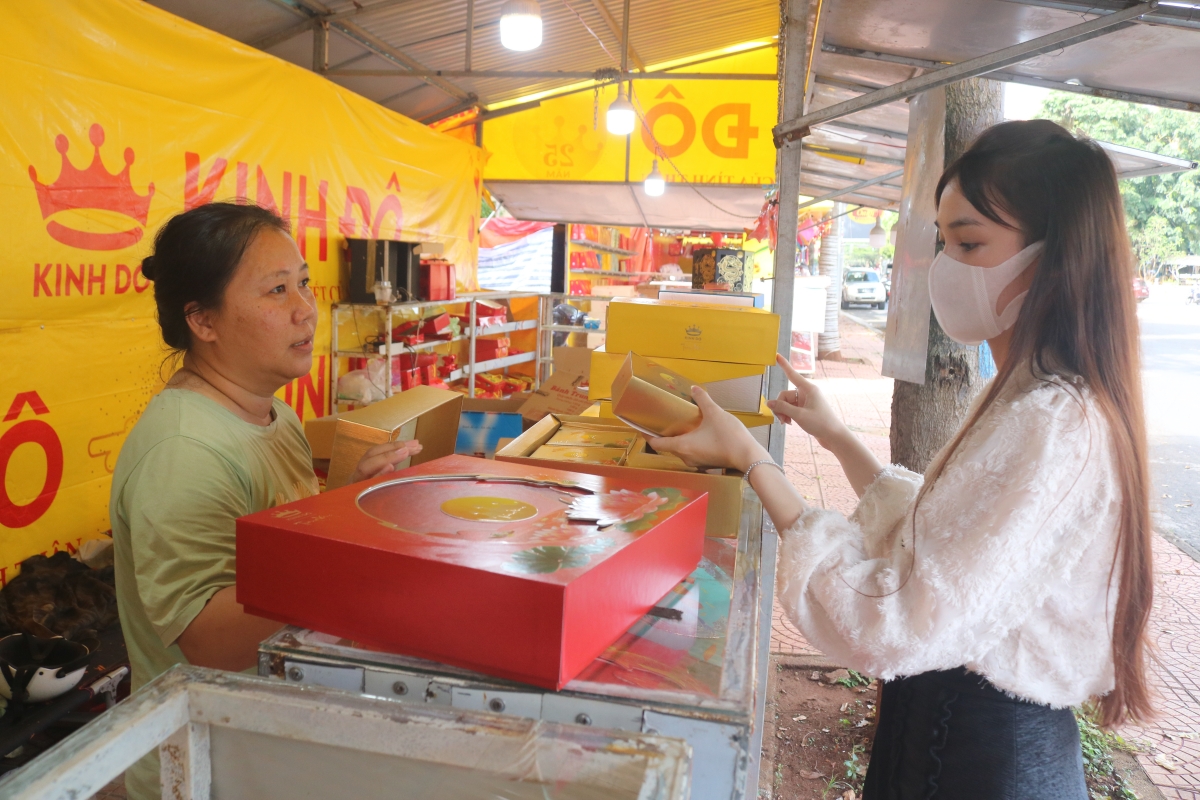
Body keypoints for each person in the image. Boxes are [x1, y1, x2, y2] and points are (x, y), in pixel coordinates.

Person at [651, 120, 1152, 799]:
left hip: (983, 761)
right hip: (956, 741)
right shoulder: (1036, 395)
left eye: (969, 242)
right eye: (942, 242)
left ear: (1056, 256)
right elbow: (946, 536)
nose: (943, 266)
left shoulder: (1053, 420)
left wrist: (751, 459)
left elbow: (890, 621)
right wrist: (837, 436)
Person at [111, 203, 421, 800]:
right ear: (203, 321)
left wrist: (344, 499)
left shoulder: (271, 412)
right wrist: (350, 533)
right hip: (208, 768)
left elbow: (278, 546)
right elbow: (211, 640)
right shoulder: (185, 451)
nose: (305, 309)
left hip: (269, 744)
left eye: (302, 282)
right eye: (276, 291)